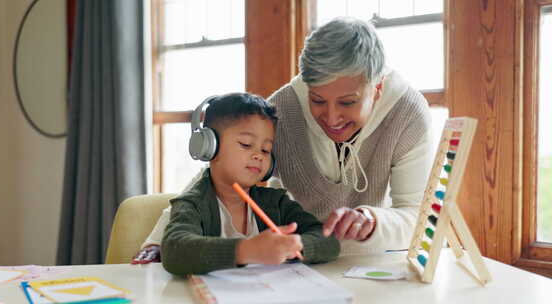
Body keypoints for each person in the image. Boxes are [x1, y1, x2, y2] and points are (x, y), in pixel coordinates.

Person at [133, 16, 433, 263]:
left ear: (377, 88)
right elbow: (218, 174)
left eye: (347, 102)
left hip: (373, 262)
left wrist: (373, 221)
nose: (331, 117)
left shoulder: (408, 114)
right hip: (296, 265)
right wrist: (157, 240)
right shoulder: (284, 108)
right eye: (317, 100)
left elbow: (418, 217)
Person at [159, 93, 340, 275]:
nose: (259, 155)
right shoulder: (193, 204)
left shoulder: (277, 202)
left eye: (266, 149)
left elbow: (329, 240)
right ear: (209, 147)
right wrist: (247, 250)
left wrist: (296, 246)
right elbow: (174, 251)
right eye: (246, 144)